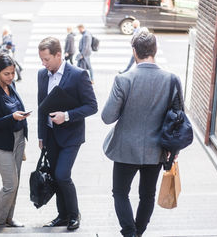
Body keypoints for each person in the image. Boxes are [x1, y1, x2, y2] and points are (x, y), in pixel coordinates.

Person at [101, 30, 182, 237]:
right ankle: (138, 233)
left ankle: (129, 234)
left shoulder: (123, 80)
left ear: (135, 52)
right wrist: (174, 151)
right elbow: (179, 119)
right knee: (147, 195)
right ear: (154, 50)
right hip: (156, 150)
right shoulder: (172, 80)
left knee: (120, 193)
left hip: (125, 149)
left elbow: (107, 117)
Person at [37, 37, 98, 231]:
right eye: (41, 59)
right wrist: (41, 135)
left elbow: (92, 106)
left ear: (58, 55)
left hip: (71, 136)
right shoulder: (42, 74)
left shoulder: (78, 75)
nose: (43, 63)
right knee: (55, 177)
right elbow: (41, 107)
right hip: (50, 136)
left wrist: (67, 116)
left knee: (62, 175)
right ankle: (62, 216)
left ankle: (74, 214)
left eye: (46, 59)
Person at [0, 54, 30, 228]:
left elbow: (16, 107)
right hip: (2, 144)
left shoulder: (12, 85)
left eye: (12, 73)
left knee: (16, 183)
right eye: (6, 74)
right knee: (10, 184)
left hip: (18, 139)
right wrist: (12, 117)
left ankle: (9, 218)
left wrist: (21, 120)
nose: (10, 77)